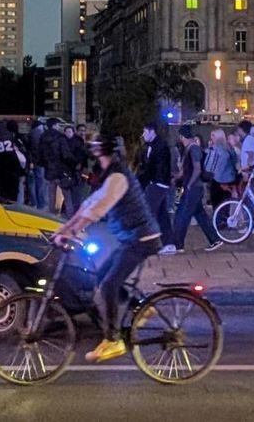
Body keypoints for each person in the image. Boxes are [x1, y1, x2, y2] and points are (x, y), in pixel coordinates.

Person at [53, 135, 161, 363]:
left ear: (102, 152)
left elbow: (98, 209)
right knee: (102, 277)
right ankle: (142, 307)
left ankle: (113, 340)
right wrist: (65, 228)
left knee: (109, 285)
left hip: (141, 238)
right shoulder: (110, 174)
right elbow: (88, 204)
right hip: (132, 237)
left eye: (94, 148)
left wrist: (73, 231)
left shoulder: (117, 177)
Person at [171, 125, 222, 253]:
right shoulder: (190, 148)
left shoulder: (193, 149)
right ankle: (215, 239)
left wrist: (189, 184)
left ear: (182, 136)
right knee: (200, 215)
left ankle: (178, 245)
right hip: (194, 188)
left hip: (193, 188)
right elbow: (185, 171)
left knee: (182, 215)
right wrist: (176, 178)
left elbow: (197, 169)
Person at [135, 122, 176, 253]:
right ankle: (169, 243)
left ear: (152, 132)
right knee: (161, 214)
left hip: (158, 183)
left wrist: (148, 180)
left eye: (145, 132)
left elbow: (156, 168)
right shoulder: (154, 145)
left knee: (148, 213)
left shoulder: (159, 146)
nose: (143, 135)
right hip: (158, 183)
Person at [39, 119, 74, 215]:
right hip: (61, 170)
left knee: (51, 196)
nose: (59, 126)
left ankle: (51, 216)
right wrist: (71, 164)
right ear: (54, 125)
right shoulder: (60, 138)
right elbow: (66, 155)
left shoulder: (43, 137)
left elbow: (40, 155)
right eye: (58, 125)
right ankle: (70, 216)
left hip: (49, 170)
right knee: (67, 195)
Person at [0, 120, 27, 203]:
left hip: (2, 165)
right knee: (15, 188)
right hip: (14, 165)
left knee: (3, 188)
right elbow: (23, 150)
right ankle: (16, 206)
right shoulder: (12, 136)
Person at [204, 128, 238, 209]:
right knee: (226, 205)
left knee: (217, 205)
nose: (211, 137)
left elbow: (210, 165)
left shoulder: (215, 149)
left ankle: (218, 220)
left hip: (218, 180)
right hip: (229, 179)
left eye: (213, 135)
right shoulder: (229, 148)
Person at [63, 124, 89, 217]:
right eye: (81, 130)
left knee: (80, 191)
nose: (82, 132)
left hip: (83, 170)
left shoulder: (83, 142)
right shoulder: (76, 141)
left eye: (84, 130)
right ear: (76, 131)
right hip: (76, 170)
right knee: (76, 192)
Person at [26, 120, 48, 209]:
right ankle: (41, 204)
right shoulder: (41, 134)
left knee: (32, 183)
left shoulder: (30, 134)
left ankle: (33, 202)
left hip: (31, 162)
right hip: (40, 162)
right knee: (41, 183)